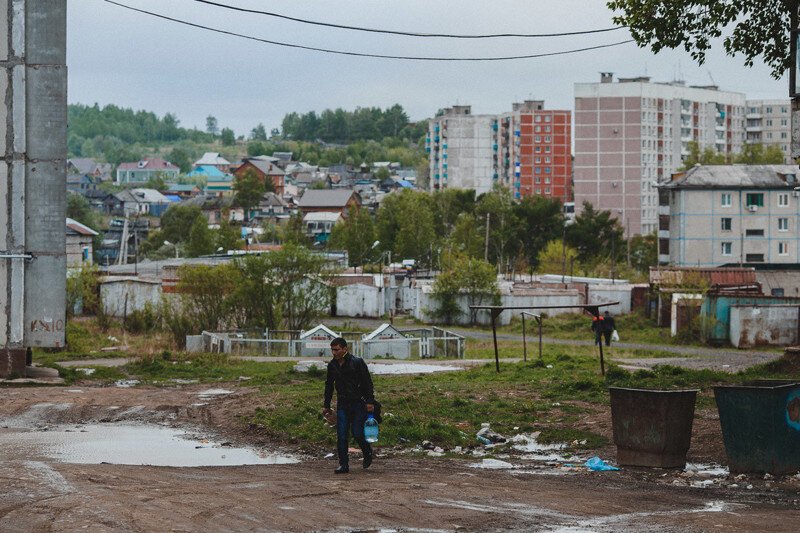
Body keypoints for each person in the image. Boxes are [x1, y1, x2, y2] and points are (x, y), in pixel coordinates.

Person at [322, 337, 375, 474]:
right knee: (342, 435)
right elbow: (329, 386)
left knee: (357, 432)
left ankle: (367, 451)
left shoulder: (357, 362)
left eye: (337, 350)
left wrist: (370, 401)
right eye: (332, 350)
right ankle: (343, 464)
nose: (334, 353)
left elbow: (367, 383)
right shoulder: (332, 365)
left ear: (345, 349)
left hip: (358, 403)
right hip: (343, 404)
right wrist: (326, 405)